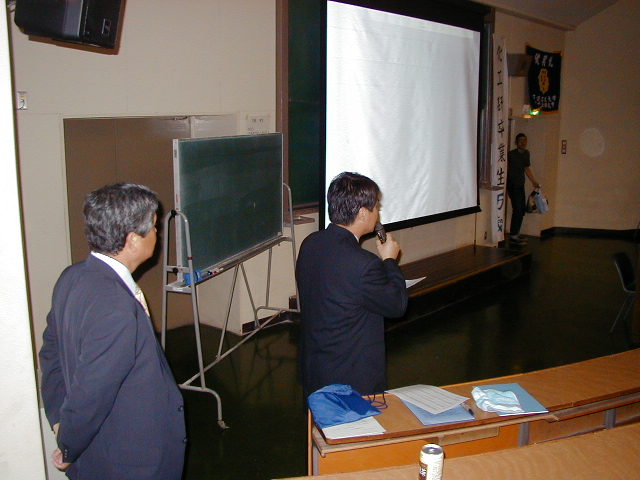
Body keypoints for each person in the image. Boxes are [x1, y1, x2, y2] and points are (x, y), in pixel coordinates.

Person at [39, 183, 186, 480]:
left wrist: (58, 420)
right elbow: (91, 393)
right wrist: (68, 446)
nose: (157, 235)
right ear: (133, 240)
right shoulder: (116, 307)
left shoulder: (71, 277)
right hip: (131, 462)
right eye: (154, 228)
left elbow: (50, 355)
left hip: (101, 453)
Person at [296, 172, 409, 401]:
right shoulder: (364, 264)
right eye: (376, 207)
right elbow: (397, 305)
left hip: (315, 368)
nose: (378, 213)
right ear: (363, 213)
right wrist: (389, 260)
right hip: (351, 378)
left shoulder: (310, 243)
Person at [507, 133, 540, 245]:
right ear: (516, 142)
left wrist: (533, 181)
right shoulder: (511, 154)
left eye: (525, 140)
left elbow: (526, 168)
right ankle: (513, 236)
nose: (523, 142)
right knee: (517, 209)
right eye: (520, 140)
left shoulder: (526, 153)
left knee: (521, 210)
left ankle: (516, 233)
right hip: (512, 185)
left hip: (520, 184)